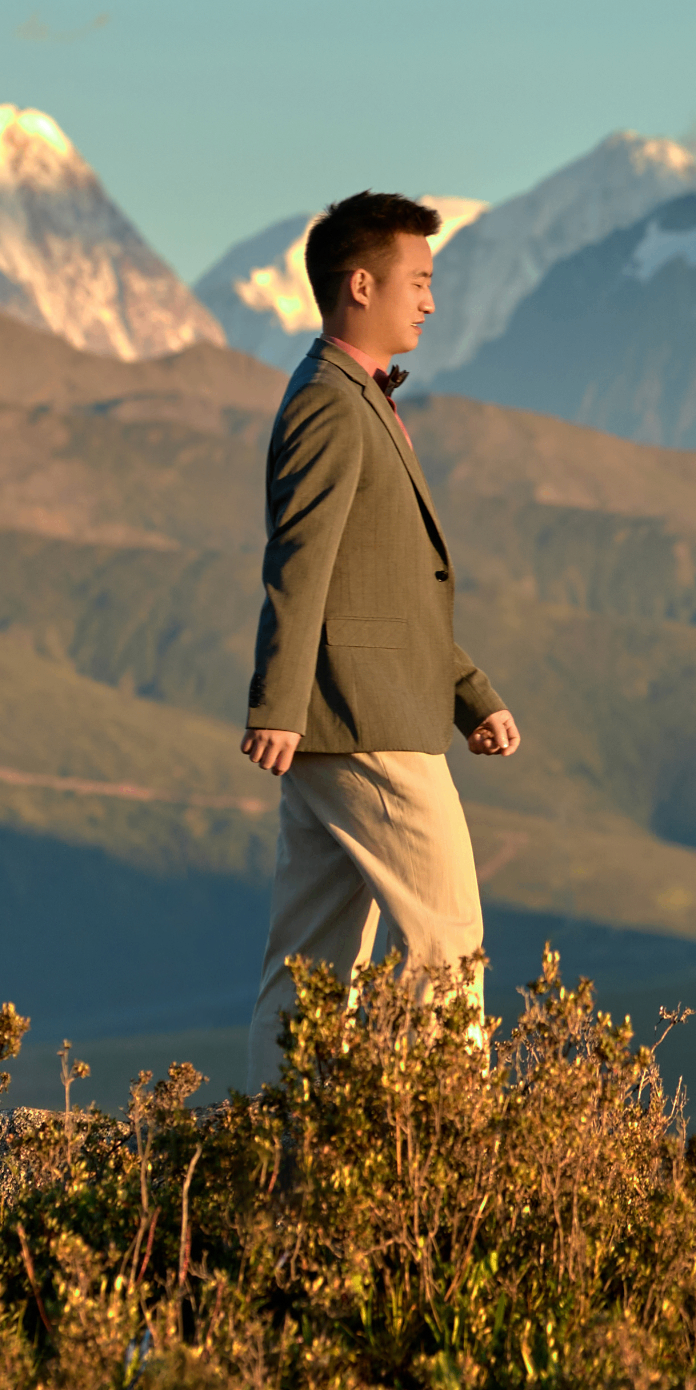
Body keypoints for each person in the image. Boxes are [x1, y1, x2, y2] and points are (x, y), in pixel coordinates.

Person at [241, 190, 523, 1088]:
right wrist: (277, 707)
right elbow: (301, 563)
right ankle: (434, 1152)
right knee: (447, 941)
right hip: (368, 724)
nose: (430, 301)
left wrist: (471, 693)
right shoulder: (330, 404)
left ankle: (276, 1152)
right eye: (420, 280)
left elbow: (391, 592)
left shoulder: (350, 396)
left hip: (350, 716)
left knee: (313, 962)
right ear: (361, 285)